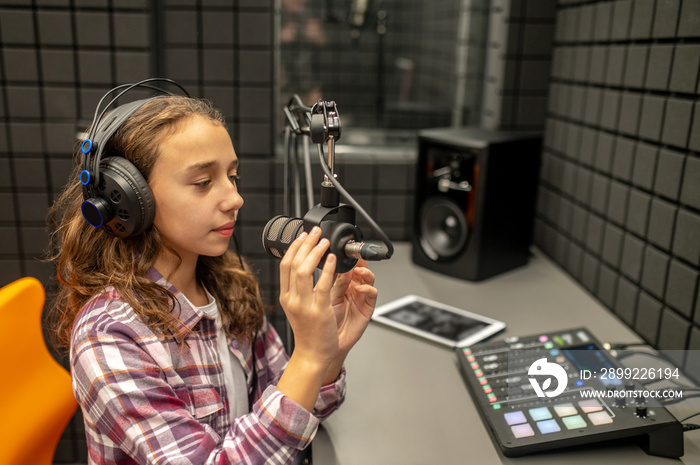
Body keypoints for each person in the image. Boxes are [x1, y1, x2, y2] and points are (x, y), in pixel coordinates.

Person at [48, 94, 378, 464]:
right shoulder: (108, 336)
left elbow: (296, 406)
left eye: (232, 176)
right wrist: (310, 356)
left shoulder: (229, 287)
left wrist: (327, 353)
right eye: (203, 182)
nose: (234, 198)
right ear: (130, 200)